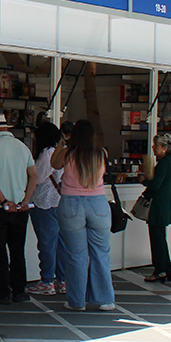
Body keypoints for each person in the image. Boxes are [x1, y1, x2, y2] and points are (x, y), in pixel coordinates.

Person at [50, 119, 113, 311]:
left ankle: (76, 301)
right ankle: (105, 300)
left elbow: (54, 163)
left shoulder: (69, 153)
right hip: (98, 204)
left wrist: (64, 141)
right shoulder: (101, 153)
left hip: (71, 205)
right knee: (101, 253)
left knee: (76, 255)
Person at [0, 113, 38, 304]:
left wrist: (4, 201)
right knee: (17, 250)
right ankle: (20, 291)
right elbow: (34, 176)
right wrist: (25, 200)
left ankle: (2, 291)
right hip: (21, 208)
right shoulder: (23, 147)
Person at [26, 121, 66, 296]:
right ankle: (62, 280)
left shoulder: (45, 154)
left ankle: (47, 281)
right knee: (60, 244)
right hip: (59, 202)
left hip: (43, 202)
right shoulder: (60, 152)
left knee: (47, 243)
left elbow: (38, 178)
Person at [141, 133, 171, 283]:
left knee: (157, 240)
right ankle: (165, 269)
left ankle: (160, 269)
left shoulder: (164, 163)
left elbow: (156, 184)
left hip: (158, 206)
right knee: (161, 239)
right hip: (163, 205)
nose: (153, 148)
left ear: (164, 148)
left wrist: (144, 181)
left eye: (156, 146)